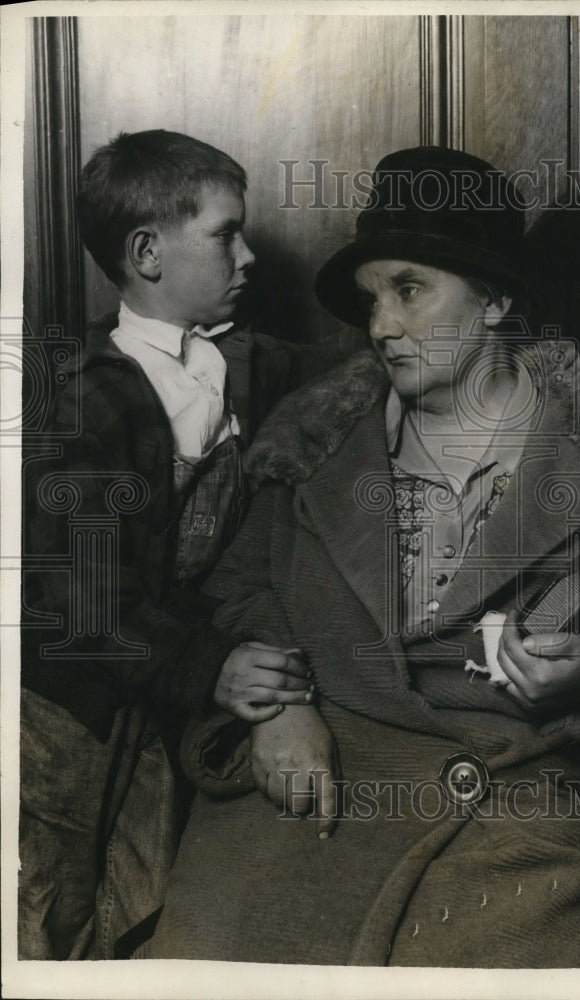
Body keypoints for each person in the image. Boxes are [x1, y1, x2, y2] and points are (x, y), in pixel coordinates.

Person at [143, 146, 580, 967]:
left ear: (495, 300)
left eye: (410, 290)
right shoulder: (315, 439)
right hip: (308, 785)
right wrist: (278, 707)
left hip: (506, 807)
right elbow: (236, 591)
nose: (381, 327)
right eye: (371, 299)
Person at [19, 130, 327, 960]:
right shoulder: (77, 398)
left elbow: (359, 372)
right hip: (64, 711)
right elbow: (85, 603)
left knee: (142, 910)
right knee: (43, 917)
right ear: (147, 254)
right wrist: (213, 665)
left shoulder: (250, 364)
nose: (249, 256)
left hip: (156, 711)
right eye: (226, 235)